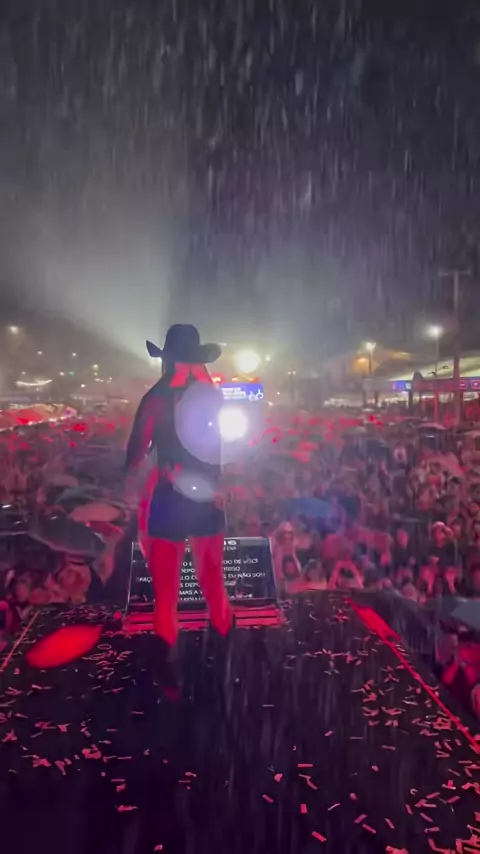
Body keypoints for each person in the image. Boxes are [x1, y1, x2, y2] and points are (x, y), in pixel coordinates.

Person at [125, 325, 233, 695]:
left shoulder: (157, 398)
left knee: (168, 592)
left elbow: (135, 455)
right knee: (212, 584)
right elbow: (224, 451)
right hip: (204, 499)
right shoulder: (210, 396)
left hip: (171, 498)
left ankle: (168, 673)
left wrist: (150, 480)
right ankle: (222, 661)